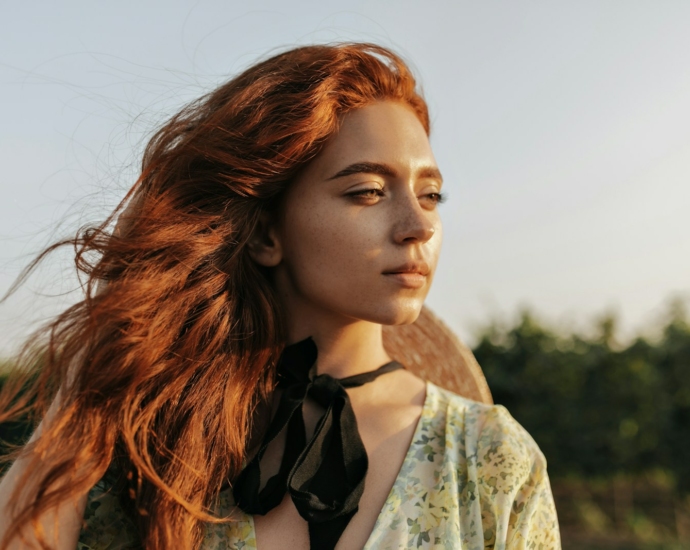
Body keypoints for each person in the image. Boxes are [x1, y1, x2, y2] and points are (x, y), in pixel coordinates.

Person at [0, 43, 561, 549]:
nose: (418, 225)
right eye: (368, 191)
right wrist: (86, 385)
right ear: (268, 233)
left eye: (432, 194)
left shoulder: (491, 460)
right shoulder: (158, 442)